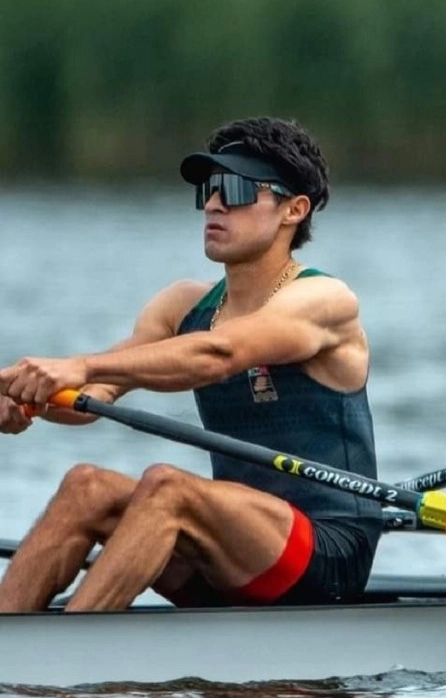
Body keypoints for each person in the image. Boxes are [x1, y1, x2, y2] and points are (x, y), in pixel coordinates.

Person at [0, 116, 383, 612]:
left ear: (294, 209)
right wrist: (28, 400)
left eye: (237, 188)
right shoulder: (183, 305)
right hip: (226, 548)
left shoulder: (324, 300)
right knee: (85, 486)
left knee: (167, 486)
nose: (214, 203)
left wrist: (80, 367)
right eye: (208, 189)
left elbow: (217, 354)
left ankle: (71, 655)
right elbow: (96, 400)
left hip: (327, 554)